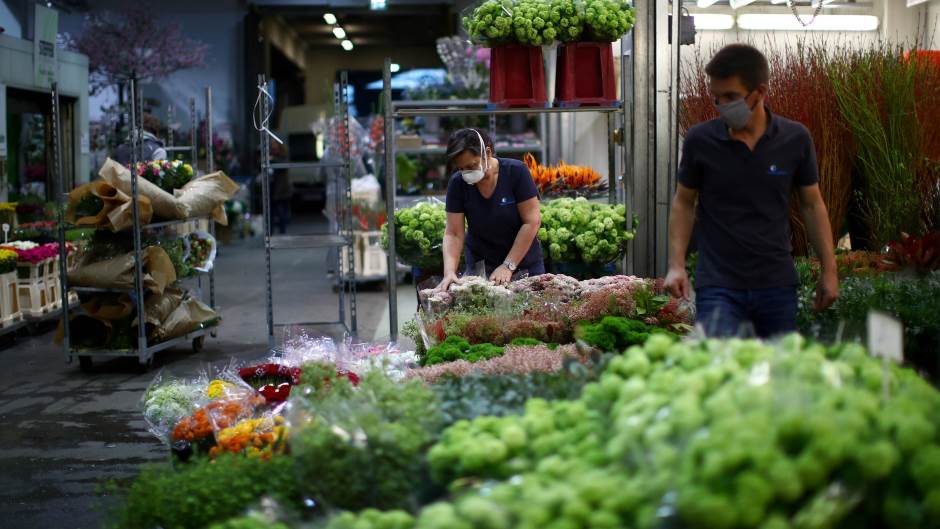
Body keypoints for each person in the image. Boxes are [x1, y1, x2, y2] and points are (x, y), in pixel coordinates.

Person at [663, 43, 838, 338]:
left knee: (776, 374)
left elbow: (812, 205)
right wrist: (676, 264)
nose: (721, 106)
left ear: (759, 92)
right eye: (716, 98)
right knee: (722, 374)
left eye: (731, 97)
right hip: (718, 286)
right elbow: (683, 202)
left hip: (776, 284)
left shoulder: (795, 139)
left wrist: (830, 271)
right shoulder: (700, 140)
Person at [437, 128, 544, 290]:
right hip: (480, 268)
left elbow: (532, 222)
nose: (467, 172)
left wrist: (508, 266)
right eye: (462, 168)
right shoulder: (458, 183)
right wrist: (449, 272)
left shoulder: (516, 172)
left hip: (524, 264)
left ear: (487, 152)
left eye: (472, 165)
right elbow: (453, 232)